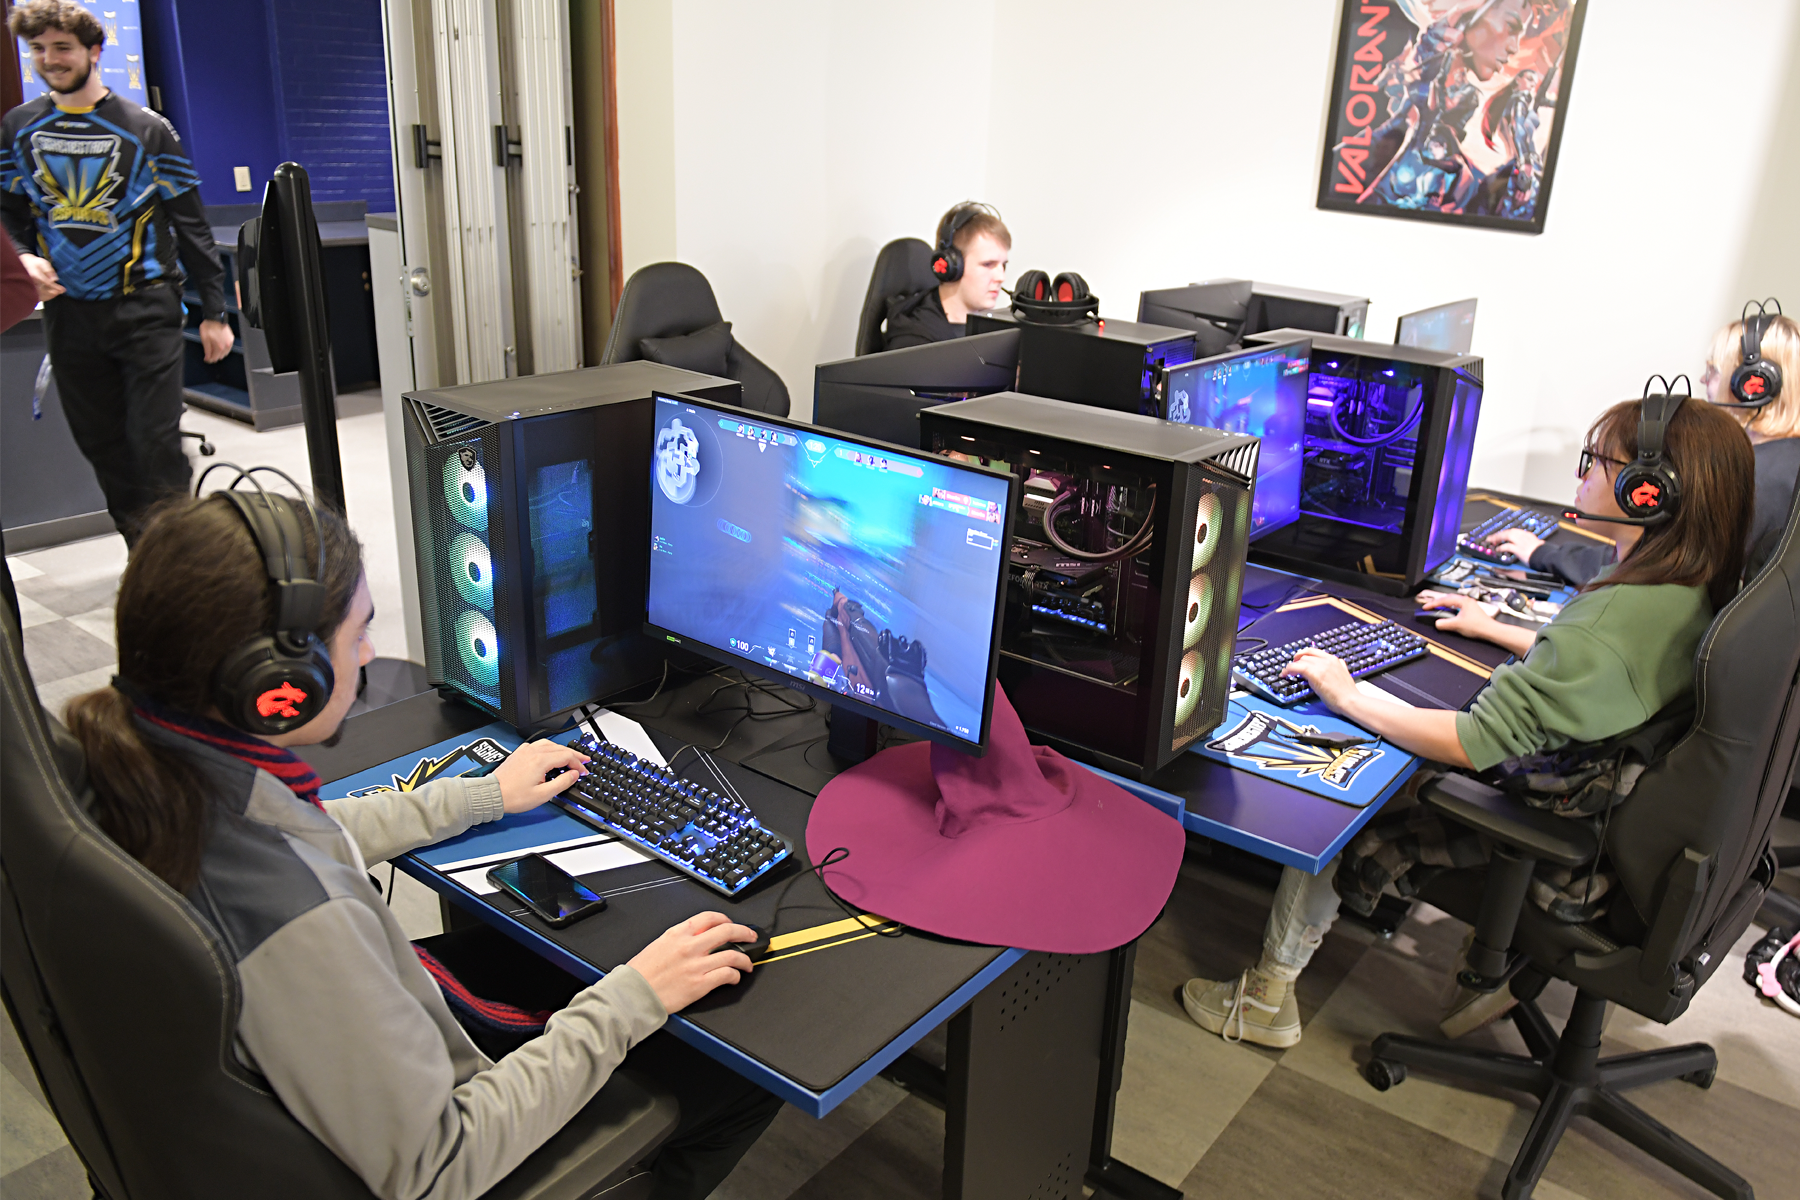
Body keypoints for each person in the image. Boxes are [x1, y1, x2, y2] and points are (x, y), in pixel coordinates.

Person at [64, 485, 781, 1199]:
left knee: (539, 963)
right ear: (280, 684)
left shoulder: (132, 772)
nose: (372, 653)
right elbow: (439, 1166)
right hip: (438, 1150)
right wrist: (633, 998)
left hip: (280, 1111)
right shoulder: (298, 917)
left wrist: (484, 795)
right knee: (741, 1072)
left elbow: (314, 830)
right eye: (358, 635)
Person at [1181, 395, 1754, 1049]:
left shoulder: (1607, 625)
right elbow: (1608, 667)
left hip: (1553, 837)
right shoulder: (1689, 588)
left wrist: (1345, 694)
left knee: (1351, 765)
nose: (1581, 478)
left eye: (1596, 462)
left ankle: (1266, 997)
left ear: (1646, 493)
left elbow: (1471, 740)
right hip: (1610, 827)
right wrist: (1498, 627)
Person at [2, 0, 233, 547]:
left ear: (94, 51)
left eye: (62, 47)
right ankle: (144, 553)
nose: (49, 59)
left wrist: (215, 314)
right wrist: (21, 257)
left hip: (144, 307)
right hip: (69, 313)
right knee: (102, 446)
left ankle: (185, 554)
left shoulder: (147, 130)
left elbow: (191, 225)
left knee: (154, 443)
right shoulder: (18, 129)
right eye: (38, 49)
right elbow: (9, 215)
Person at [1488, 303, 1800, 585]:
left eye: (1713, 371)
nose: (1704, 381)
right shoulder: (1783, 462)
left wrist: (1544, 554)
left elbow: (1662, 565)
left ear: (1753, 385)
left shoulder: (1754, 478)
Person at [882, 201, 1010, 350]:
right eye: (988, 264)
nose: (1001, 277)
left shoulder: (992, 330)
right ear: (951, 266)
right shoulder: (915, 342)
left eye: (1003, 265)